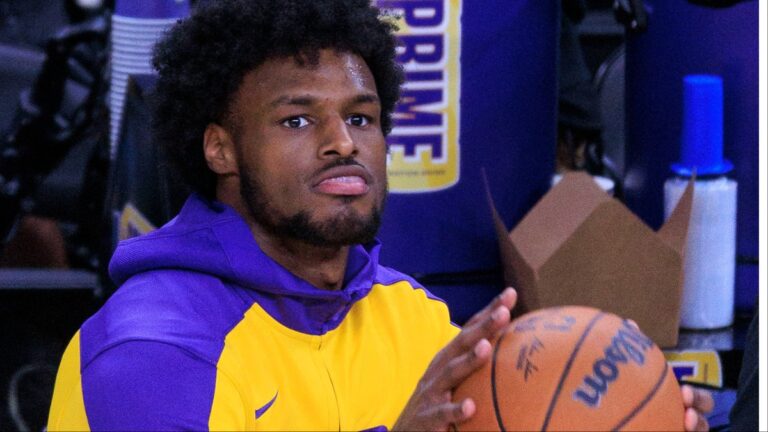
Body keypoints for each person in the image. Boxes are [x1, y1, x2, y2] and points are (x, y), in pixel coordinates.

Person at [47, 0, 713, 430]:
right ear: (219, 147)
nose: (344, 142)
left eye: (362, 117)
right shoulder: (151, 351)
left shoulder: (413, 320)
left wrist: (637, 408)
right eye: (299, 118)